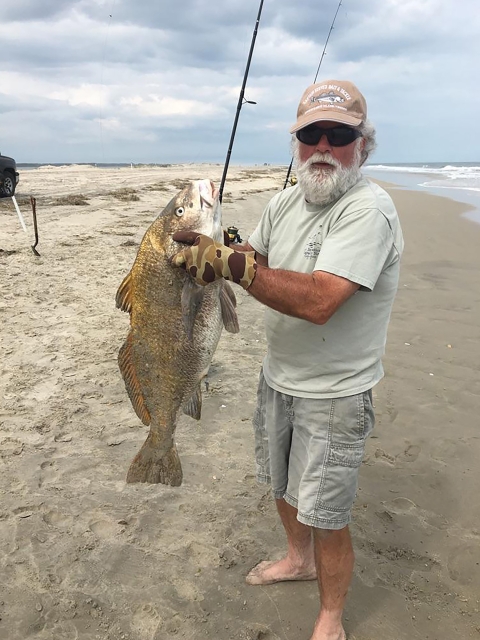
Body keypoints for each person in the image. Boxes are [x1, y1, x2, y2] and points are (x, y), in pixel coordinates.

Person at [172, 79, 404, 640]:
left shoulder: (368, 210)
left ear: (362, 145)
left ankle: (330, 616)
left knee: (326, 512)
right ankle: (296, 559)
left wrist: (236, 269)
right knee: (279, 484)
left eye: (339, 134)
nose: (323, 145)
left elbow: (322, 299)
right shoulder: (284, 201)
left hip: (334, 392)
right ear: (296, 144)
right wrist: (217, 247)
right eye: (311, 134)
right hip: (278, 378)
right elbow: (254, 254)